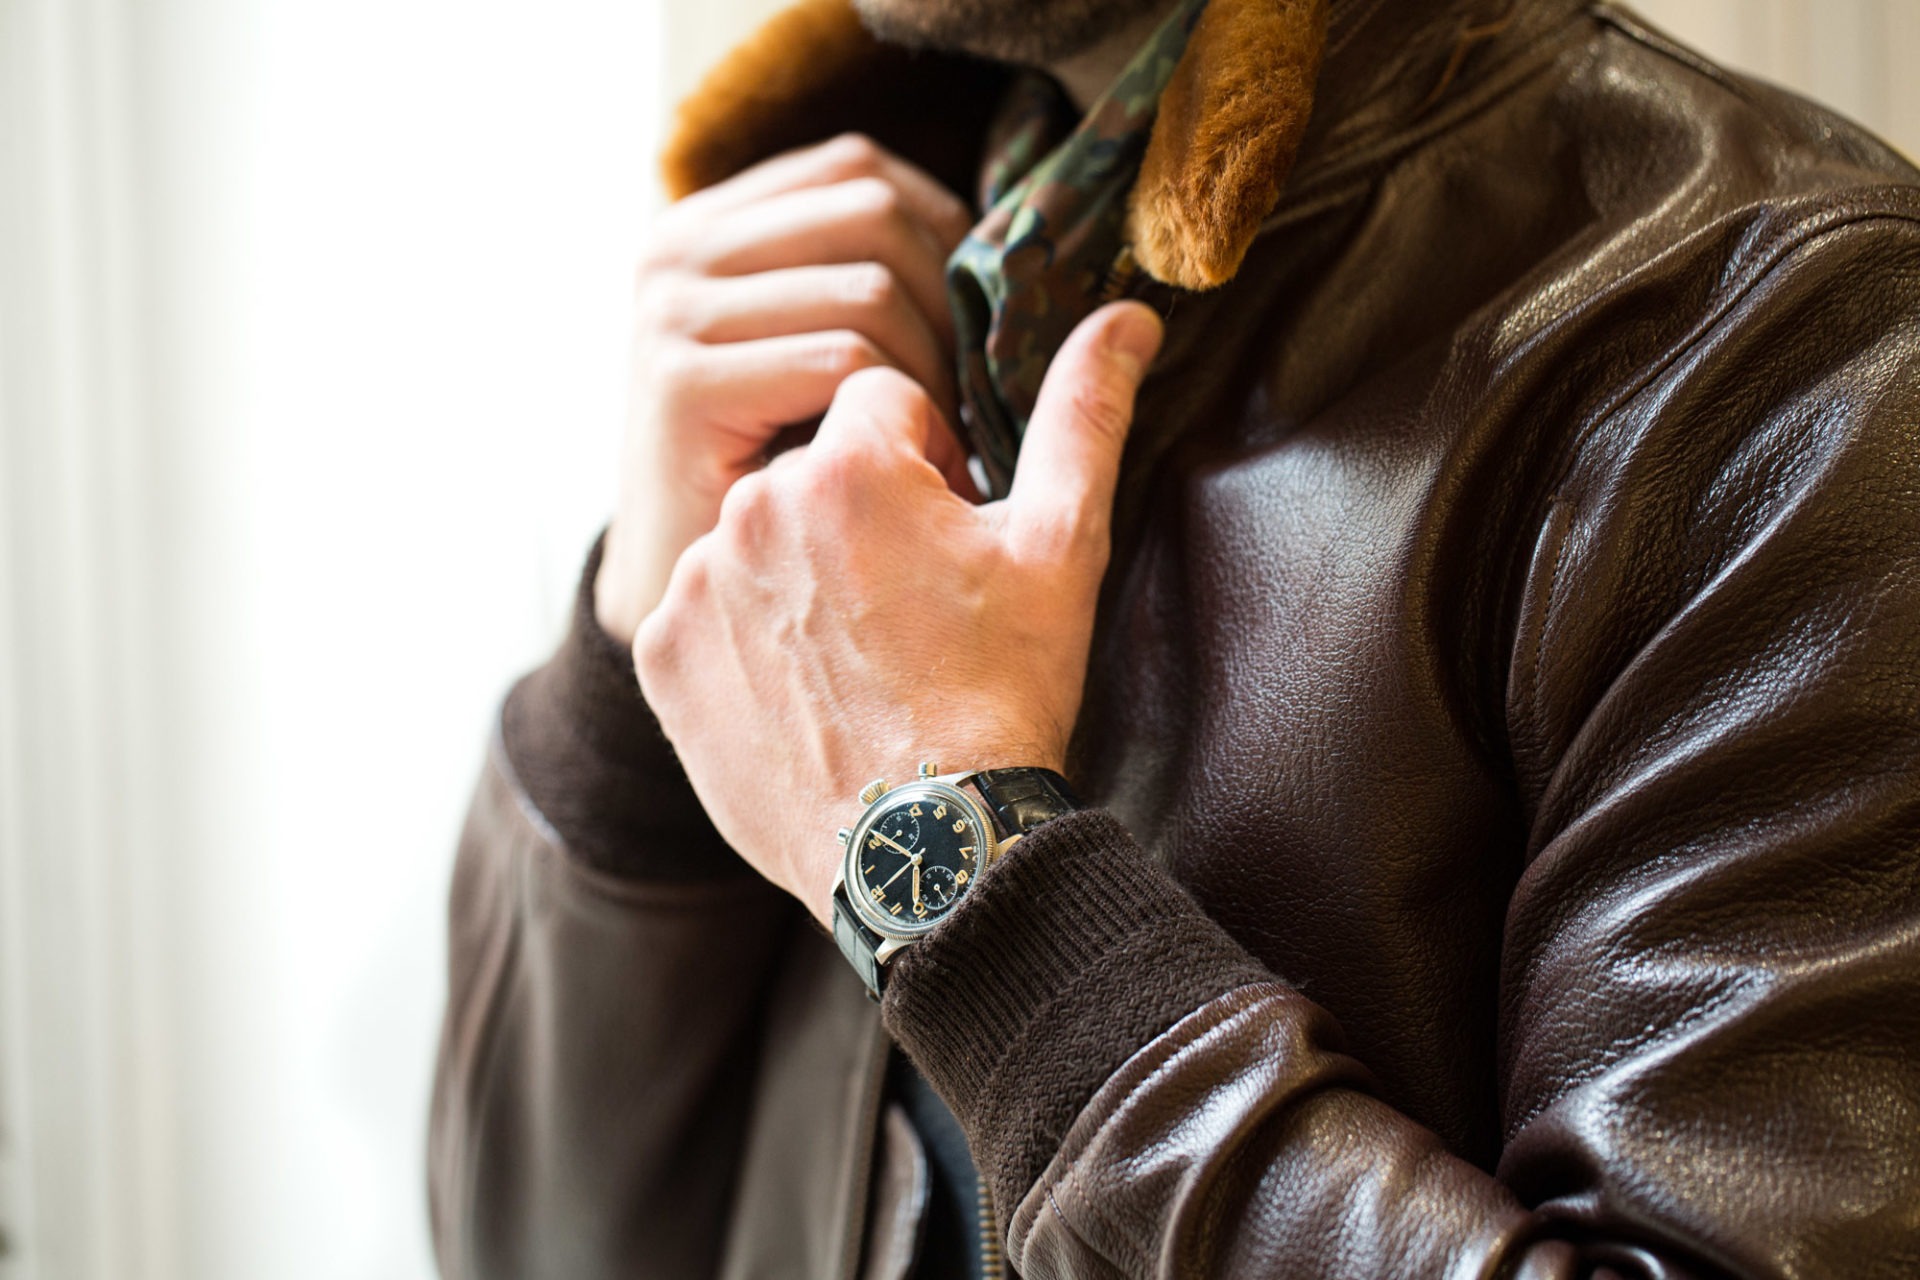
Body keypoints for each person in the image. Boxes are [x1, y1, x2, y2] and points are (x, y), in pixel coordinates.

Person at [428, 0, 1920, 1275]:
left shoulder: (1794, 359)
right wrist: (630, 681)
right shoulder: (858, 288)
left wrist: (961, 873)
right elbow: (532, 1244)